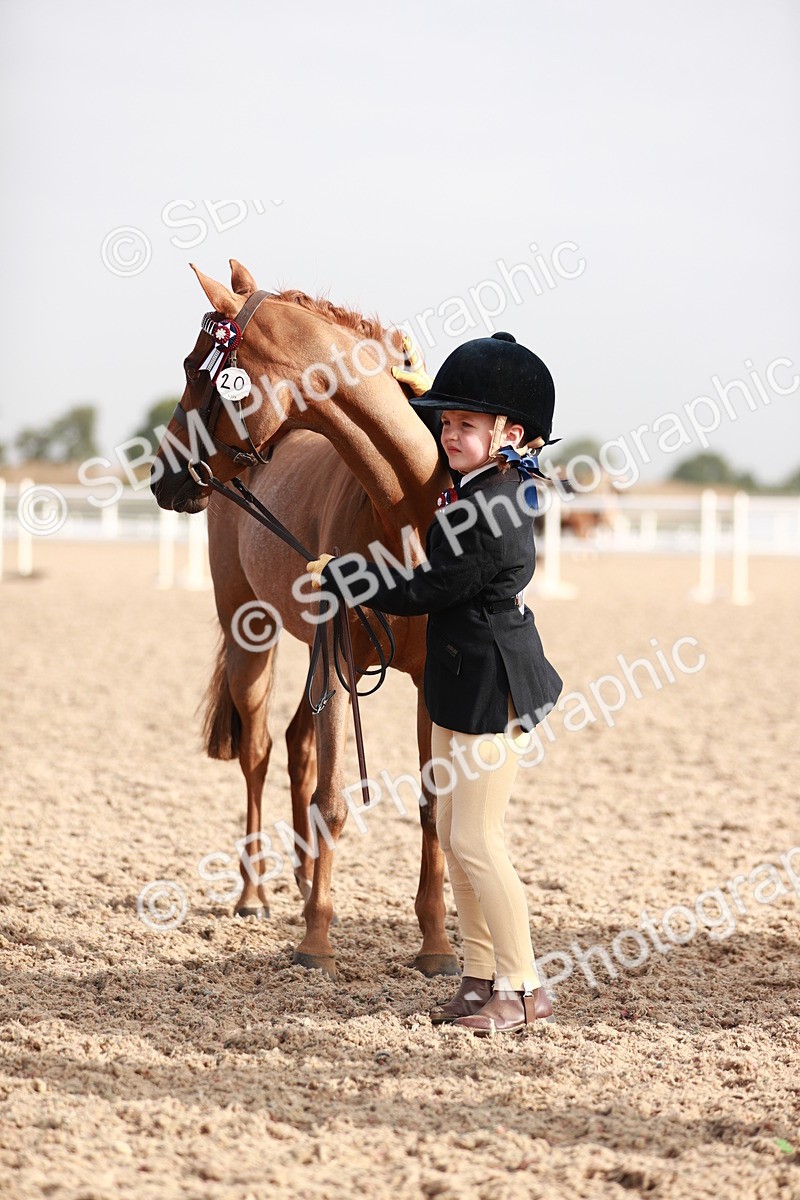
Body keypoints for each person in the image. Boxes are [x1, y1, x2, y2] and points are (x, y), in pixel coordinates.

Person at [307, 331, 564, 1036]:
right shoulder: (477, 485)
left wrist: (348, 577)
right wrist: (412, 392)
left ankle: (524, 987)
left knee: (477, 839)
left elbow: (430, 587)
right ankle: (480, 978)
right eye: (446, 422)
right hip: (460, 680)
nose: (449, 434)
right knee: (452, 832)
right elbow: (413, 434)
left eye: (465, 425)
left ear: (512, 436)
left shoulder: (494, 505)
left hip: (490, 684)